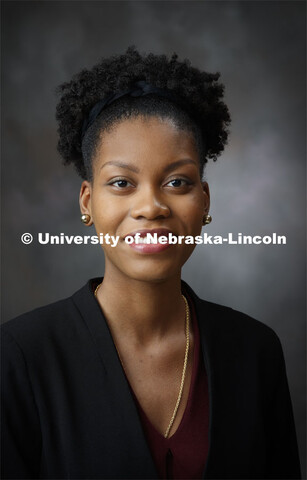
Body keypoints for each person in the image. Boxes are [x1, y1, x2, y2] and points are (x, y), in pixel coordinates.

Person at [1, 46, 301, 480]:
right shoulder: (19, 357)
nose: (151, 206)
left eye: (177, 182)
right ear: (88, 202)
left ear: (205, 200)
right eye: (122, 183)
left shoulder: (255, 352)